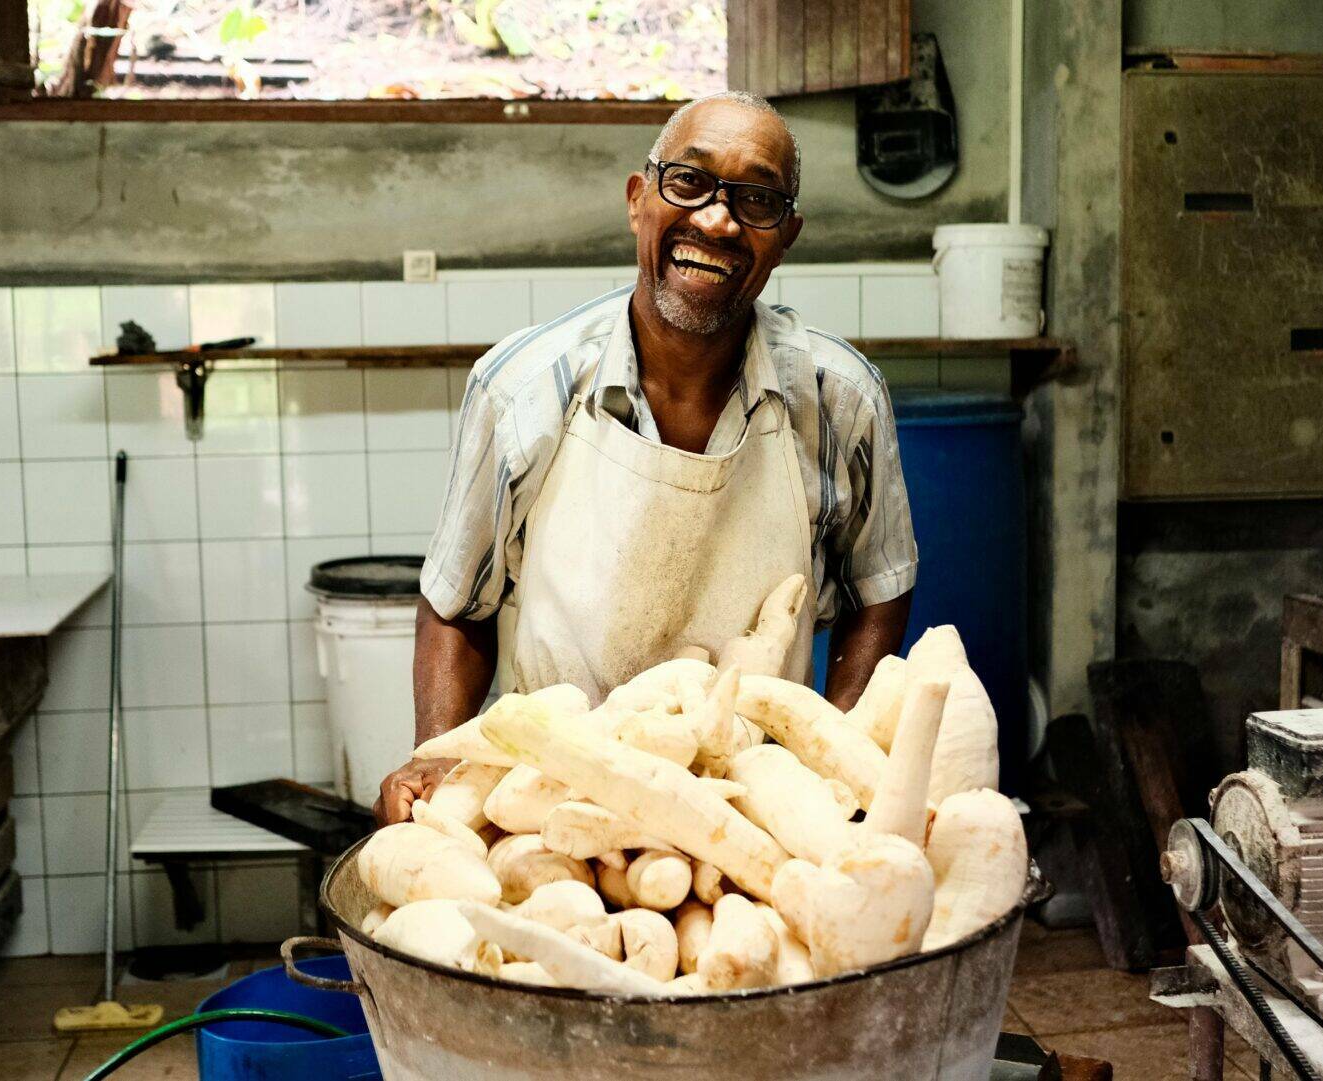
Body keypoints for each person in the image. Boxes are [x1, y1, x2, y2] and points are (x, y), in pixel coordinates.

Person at [375, 90, 917, 824]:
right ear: (638, 200)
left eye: (756, 199)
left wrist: (837, 760)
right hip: (550, 798)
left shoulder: (840, 398)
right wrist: (435, 755)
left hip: (751, 802)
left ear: (786, 235)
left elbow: (876, 590)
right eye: (688, 182)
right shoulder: (524, 389)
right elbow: (454, 606)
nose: (717, 220)